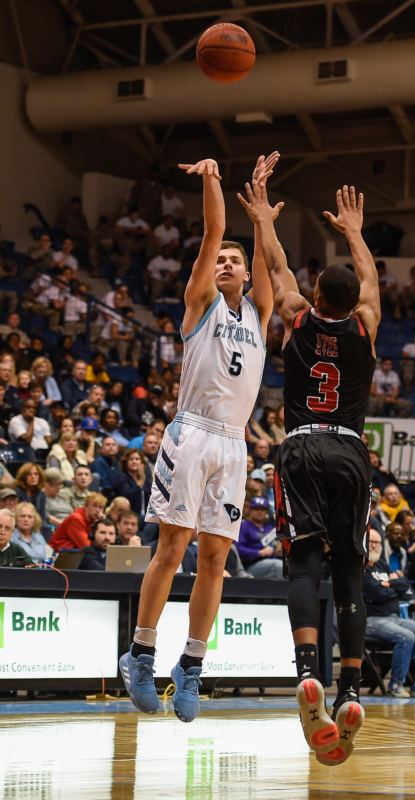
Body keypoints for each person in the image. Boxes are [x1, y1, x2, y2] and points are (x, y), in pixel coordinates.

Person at [119, 154, 278, 724]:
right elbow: (214, 230)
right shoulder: (200, 304)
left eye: (237, 261)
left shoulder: (259, 313)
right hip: (192, 433)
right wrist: (214, 180)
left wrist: (260, 211)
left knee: (215, 560)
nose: (229, 263)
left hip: (234, 444)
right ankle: (140, 653)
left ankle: (191, 664)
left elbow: (265, 262)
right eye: (223, 261)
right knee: (173, 548)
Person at [239, 179, 380, 764]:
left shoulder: (297, 315)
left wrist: (267, 220)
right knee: (349, 569)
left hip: (299, 446)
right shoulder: (366, 323)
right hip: (350, 449)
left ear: (315, 292)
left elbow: (274, 267)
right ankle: (349, 687)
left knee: (304, 562)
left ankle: (305, 673)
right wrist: (355, 232)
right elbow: (368, 281)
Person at [363, 529, 415, 698]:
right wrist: (391, 584)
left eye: (377, 542)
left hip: (394, 618)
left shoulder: (382, 565)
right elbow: (375, 592)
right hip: (370, 620)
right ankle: (396, 684)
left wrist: (388, 585)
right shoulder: (359, 568)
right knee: (406, 636)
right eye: (370, 542)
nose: (374, 546)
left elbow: (405, 587)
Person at [235, 496, 283, 578]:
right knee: (278, 565)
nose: (259, 512)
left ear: (266, 512)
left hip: (271, 561)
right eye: (256, 509)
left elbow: (276, 546)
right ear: (250, 510)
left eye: (262, 509)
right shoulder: (243, 526)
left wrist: (280, 552)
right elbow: (237, 549)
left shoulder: (269, 529)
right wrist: (259, 553)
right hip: (250, 565)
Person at [112, 449, 152, 518]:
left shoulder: (144, 478)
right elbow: (128, 497)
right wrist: (141, 481)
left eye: (137, 459)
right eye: (131, 459)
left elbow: (151, 497)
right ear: (126, 462)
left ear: (142, 463)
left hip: (145, 515)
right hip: (128, 516)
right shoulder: (121, 477)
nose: (134, 461)